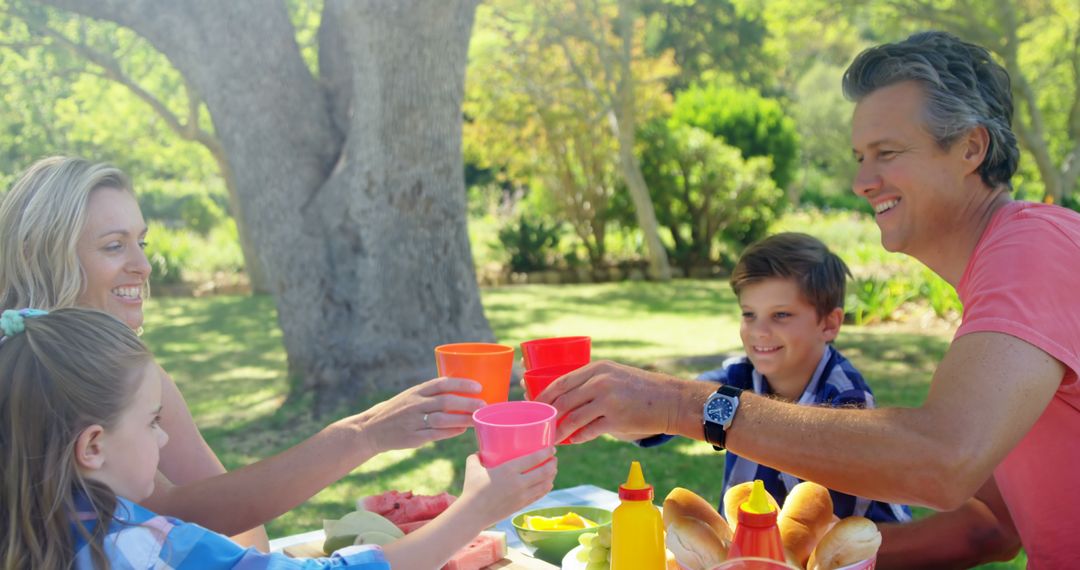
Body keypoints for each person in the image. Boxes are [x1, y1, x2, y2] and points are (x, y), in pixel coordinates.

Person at [537, 31, 1077, 568]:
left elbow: (941, 459)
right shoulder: (1009, 269)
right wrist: (776, 557)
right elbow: (988, 529)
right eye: (860, 157)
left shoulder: (1034, 249)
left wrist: (684, 406)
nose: (863, 181)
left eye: (886, 153)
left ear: (971, 148)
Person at [0, 156, 489, 550]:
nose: (143, 266)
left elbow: (224, 522)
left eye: (142, 242)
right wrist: (365, 434)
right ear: (37, 252)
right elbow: (184, 511)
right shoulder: (93, 382)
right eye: (114, 246)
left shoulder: (112, 369)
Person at [0, 308, 557, 570]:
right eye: (151, 421)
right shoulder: (139, 547)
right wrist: (476, 507)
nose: (165, 433)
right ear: (92, 446)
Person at [637, 233, 911, 524]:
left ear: (829, 324)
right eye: (749, 314)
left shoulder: (848, 399)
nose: (760, 331)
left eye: (780, 315)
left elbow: (833, 523)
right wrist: (621, 409)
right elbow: (656, 416)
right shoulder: (737, 377)